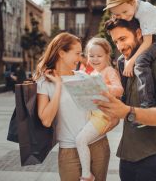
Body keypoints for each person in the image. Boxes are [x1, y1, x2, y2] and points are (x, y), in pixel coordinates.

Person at [94, 18, 156, 181]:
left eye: (123, 39)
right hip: (127, 155)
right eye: (115, 41)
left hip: (154, 158)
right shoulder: (125, 65)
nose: (120, 46)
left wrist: (128, 112)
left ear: (139, 34)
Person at [33, 33, 110, 181]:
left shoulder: (84, 76)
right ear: (62, 53)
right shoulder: (44, 82)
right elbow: (46, 120)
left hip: (98, 145)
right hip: (69, 150)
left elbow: (103, 108)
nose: (80, 58)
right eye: (77, 53)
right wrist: (59, 86)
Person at [104, 0, 156, 108]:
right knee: (120, 61)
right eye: (118, 15)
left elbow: (147, 42)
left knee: (141, 60)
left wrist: (131, 62)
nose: (124, 17)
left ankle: (148, 102)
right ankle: (124, 96)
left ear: (132, 1)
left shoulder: (146, 11)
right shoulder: (127, 12)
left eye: (125, 12)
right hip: (150, 38)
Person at [76, 37, 124, 180]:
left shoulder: (109, 71)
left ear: (107, 56)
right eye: (91, 56)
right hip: (91, 112)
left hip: (103, 116)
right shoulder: (90, 71)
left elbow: (119, 90)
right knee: (83, 139)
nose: (95, 59)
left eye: (99, 56)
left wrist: (101, 86)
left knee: (80, 140)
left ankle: (87, 175)